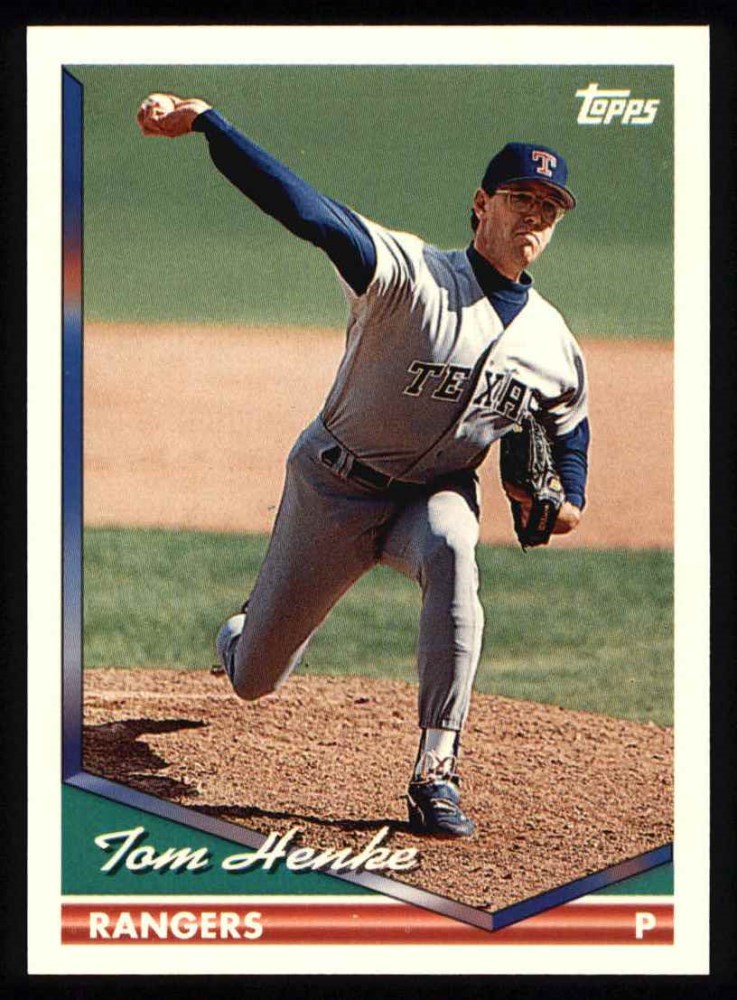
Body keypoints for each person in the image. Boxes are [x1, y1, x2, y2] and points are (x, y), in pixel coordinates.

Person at [137, 93, 590, 838]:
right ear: (481, 204)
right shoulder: (408, 273)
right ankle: (239, 636)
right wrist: (210, 124)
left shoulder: (552, 342)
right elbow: (306, 210)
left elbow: (569, 434)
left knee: (453, 547)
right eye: (520, 198)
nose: (534, 216)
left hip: (435, 496)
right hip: (333, 486)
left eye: (549, 206)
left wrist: (563, 502)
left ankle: (435, 770)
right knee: (254, 680)